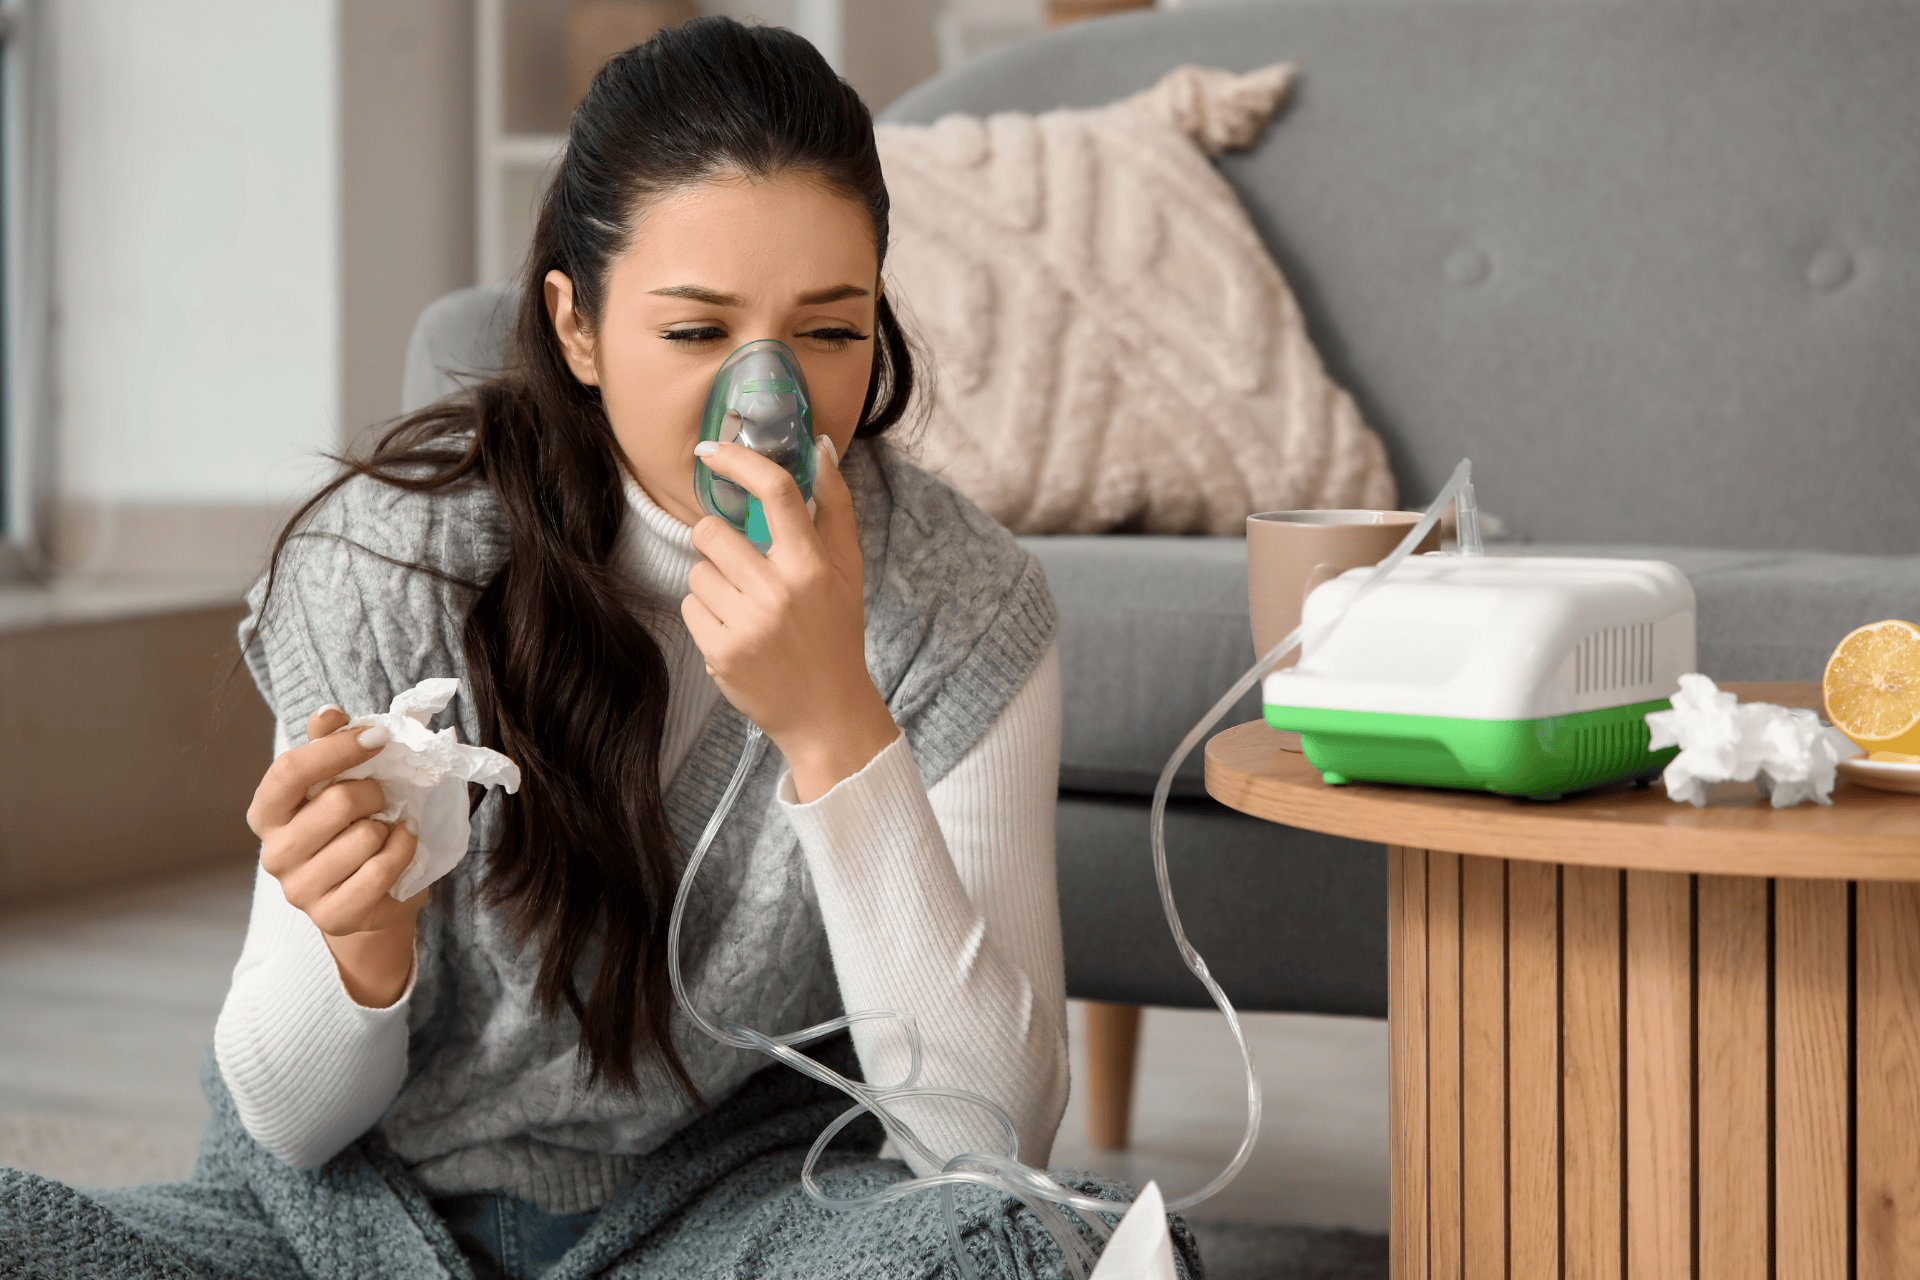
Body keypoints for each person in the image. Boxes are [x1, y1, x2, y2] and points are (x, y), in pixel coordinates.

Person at [0, 16, 1201, 1280]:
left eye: (830, 332)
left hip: (728, 1217)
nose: (767, 397)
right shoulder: (388, 565)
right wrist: (359, 951)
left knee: (1023, 1246)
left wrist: (835, 722)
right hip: (357, 1230)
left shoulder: (959, 601)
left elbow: (985, 1141)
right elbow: (293, 1119)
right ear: (577, 328)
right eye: (696, 332)